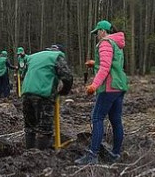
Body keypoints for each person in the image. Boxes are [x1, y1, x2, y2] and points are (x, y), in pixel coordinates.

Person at [75, 20, 128, 165]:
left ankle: (92, 156)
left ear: (103, 31)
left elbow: (105, 67)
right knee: (116, 120)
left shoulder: (105, 43)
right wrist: (94, 63)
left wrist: (94, 85)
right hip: (119, 86)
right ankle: (115, 154)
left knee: (97, 117)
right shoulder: (116, 43)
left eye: (97, 32)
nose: (96, 36)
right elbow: (113, 63)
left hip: (108, 87)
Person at [21, 44, 73, 149]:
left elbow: (23, 75)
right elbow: (67, 76)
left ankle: (29, 155)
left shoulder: (33, 56)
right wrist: (63, 92)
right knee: (45, 128)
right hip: (43, 94)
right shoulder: (56, 56)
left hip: (26, 92)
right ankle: (42, 157)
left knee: (30, 128)